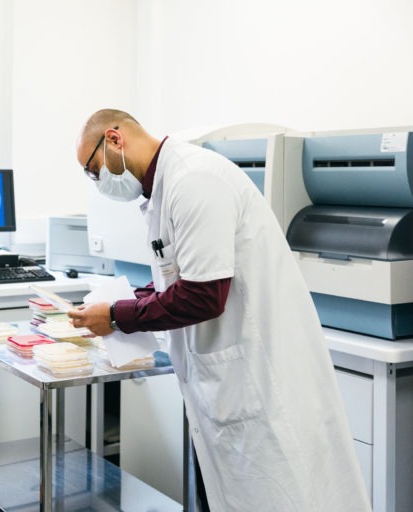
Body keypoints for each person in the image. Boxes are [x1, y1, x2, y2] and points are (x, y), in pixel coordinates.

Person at [68, 109, 371, 512]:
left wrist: (119, 316)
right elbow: (176, 280)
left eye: (93, 170)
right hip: (223, 387)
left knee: (283, 495)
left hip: (257, 385)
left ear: (114, 139)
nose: (97, 182)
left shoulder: (194, 180)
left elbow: (203, 295)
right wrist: (115, 306)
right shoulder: (162, 188)